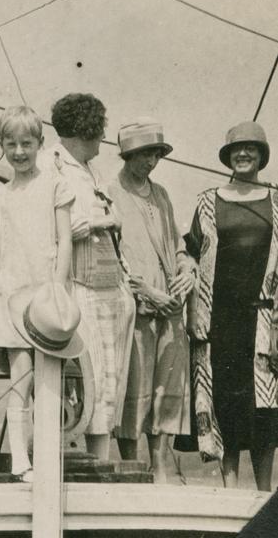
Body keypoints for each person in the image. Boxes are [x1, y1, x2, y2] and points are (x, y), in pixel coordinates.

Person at [0, 105, 78, 481]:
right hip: (11, 296)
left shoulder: (54, 184)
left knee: (49, 379)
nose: (19, 151)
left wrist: (57, 285)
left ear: (39, 143)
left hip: (46, 296)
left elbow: (66, 238)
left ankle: (48, 455)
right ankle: (20, 460)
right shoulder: (1, 196)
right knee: (20, 378)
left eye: (26, 143)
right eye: (10, 144)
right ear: (2, 145)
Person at [180, 121, 278, 491]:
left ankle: (266, 494)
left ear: (261, 156)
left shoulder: (276, 200)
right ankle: (230, 490)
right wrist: (193, 309)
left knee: (265, 409)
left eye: (251, 148)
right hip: (218, 319)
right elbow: (188, 254)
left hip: (265, 319)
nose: (243, 154)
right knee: (226, 404)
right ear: (227, 156)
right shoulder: (208, 201)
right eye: (237, 149)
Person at [40, 93, 135, 461]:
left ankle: (102, 459)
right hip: (78, 283)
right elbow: (51, 221)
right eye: (98, 132)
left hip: (108, 281)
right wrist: (97, 220)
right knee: (89, 374)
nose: (102, 140)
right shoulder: (52, 164)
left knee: (111, 377)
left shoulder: (89, 170)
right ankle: (86, 461)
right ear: (87, 130)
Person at [107, 118, 193, 483]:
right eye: (143, 154)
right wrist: (147, 292)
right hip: (135, 308)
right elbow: (112, 259)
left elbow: (177, 246)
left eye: (155, 154)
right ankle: (132, 466)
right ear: (127, 154)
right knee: (135, 388)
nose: (150, 162)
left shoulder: (162, 195)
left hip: (171, 309)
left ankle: (160, 469)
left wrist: (186, 268)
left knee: (167, 387)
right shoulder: (109, 194)